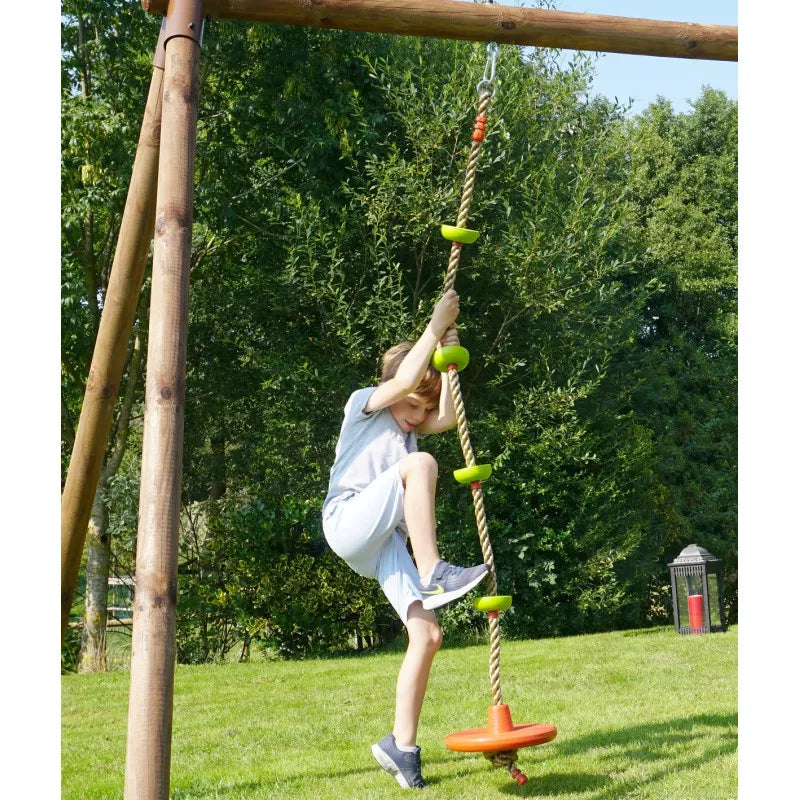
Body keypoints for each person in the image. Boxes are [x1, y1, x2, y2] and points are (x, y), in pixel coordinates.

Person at [321, 288, 488, 789]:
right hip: (347, 521)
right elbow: (408, 381)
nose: (417, 417)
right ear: (393, 387)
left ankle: (402, 746)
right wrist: (434, 326)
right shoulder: (364, 407)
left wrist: (451, 362)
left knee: (428, 634)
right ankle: (434, 569)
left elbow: (450, 416)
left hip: (380, 542)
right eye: (413, 405)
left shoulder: (409, 426)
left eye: (422, 410)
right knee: (420, 465)